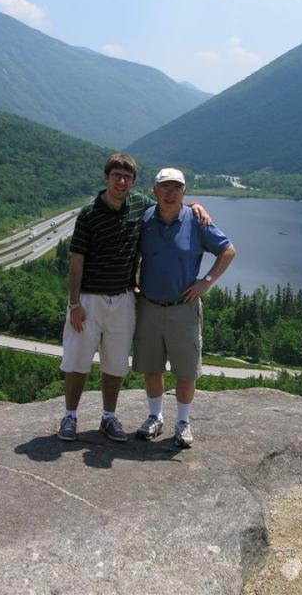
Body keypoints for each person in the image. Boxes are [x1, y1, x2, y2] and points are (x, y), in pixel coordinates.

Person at [58, 154, 209, 442]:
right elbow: (76, 261)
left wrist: (194, 207)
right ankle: (70, 416)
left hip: (125, 298)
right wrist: (74, 304)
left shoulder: (139, 206)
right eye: (116, 175)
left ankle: (108, 417)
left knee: (115, 363)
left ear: (134, 183)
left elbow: (169, 206)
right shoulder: (88, 214)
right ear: (106, 178)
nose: (121, 181)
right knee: (77, 359)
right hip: (89, 299)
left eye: (127, 177)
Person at [133, 167, 236, 448]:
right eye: (164, 187)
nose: (170, 193)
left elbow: (228, 250)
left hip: (184, 308)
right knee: (151, 367)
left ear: (184, 192)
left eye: (176, 188)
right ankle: (155, 417)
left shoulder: (197, 220)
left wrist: (206, 282)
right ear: (155, 191)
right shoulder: (145, 219)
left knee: (186, 371)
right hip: (149, 306)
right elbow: (135, 252)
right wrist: (133, 279)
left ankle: (183, 423)